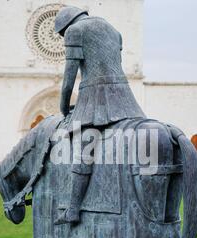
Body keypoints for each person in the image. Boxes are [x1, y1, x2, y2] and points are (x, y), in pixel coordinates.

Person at [53, 7, 145, 224]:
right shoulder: (114, 31)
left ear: (65, 27)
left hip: (96, 98)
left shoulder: (74, 31)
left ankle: (73, 209)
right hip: (125, 98)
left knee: (85, 146)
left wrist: (64, 107)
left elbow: (69, 78)